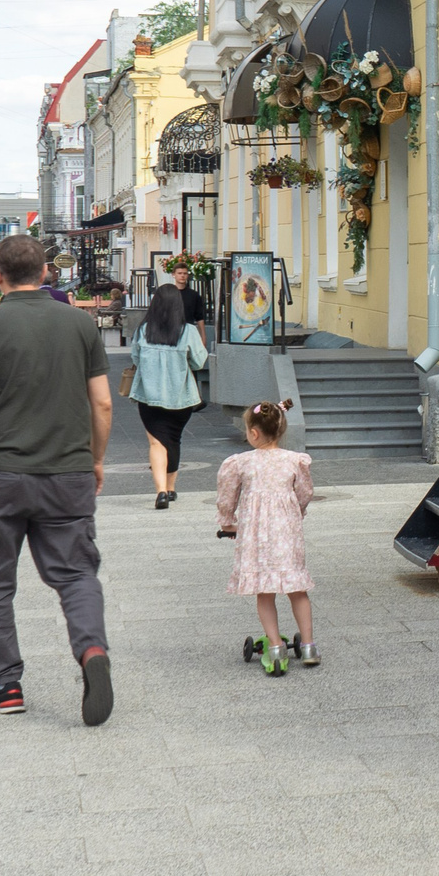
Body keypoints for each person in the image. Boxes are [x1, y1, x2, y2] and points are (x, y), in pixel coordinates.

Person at [0, 232, 114, 722]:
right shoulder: (80, 324)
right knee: (77, 573)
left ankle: (6, 685)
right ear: (45, 273)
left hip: (1, 475)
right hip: (68, 473)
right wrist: (95, 458)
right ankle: (92, 652)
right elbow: (102, 402)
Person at [217, 401, 318, 675]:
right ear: (281, 430)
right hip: (288, 534)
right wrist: (296, 512)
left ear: (253, 433)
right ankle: (308, 646)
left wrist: (228, 522)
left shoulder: (241, 463)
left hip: (256, 538)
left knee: (265, 592)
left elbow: (227, 496)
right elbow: (305, 494)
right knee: (297, 589)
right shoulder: (294, 460)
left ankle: (275, 648)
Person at [131, 283, 208, 511]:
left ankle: (161, 492)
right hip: (180, 398)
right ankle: (171, 487)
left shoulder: (143, 331)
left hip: (149, 397)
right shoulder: (189, 332)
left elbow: (136, 359)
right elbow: (199, 361)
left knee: (156, 442)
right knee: (173, 439)